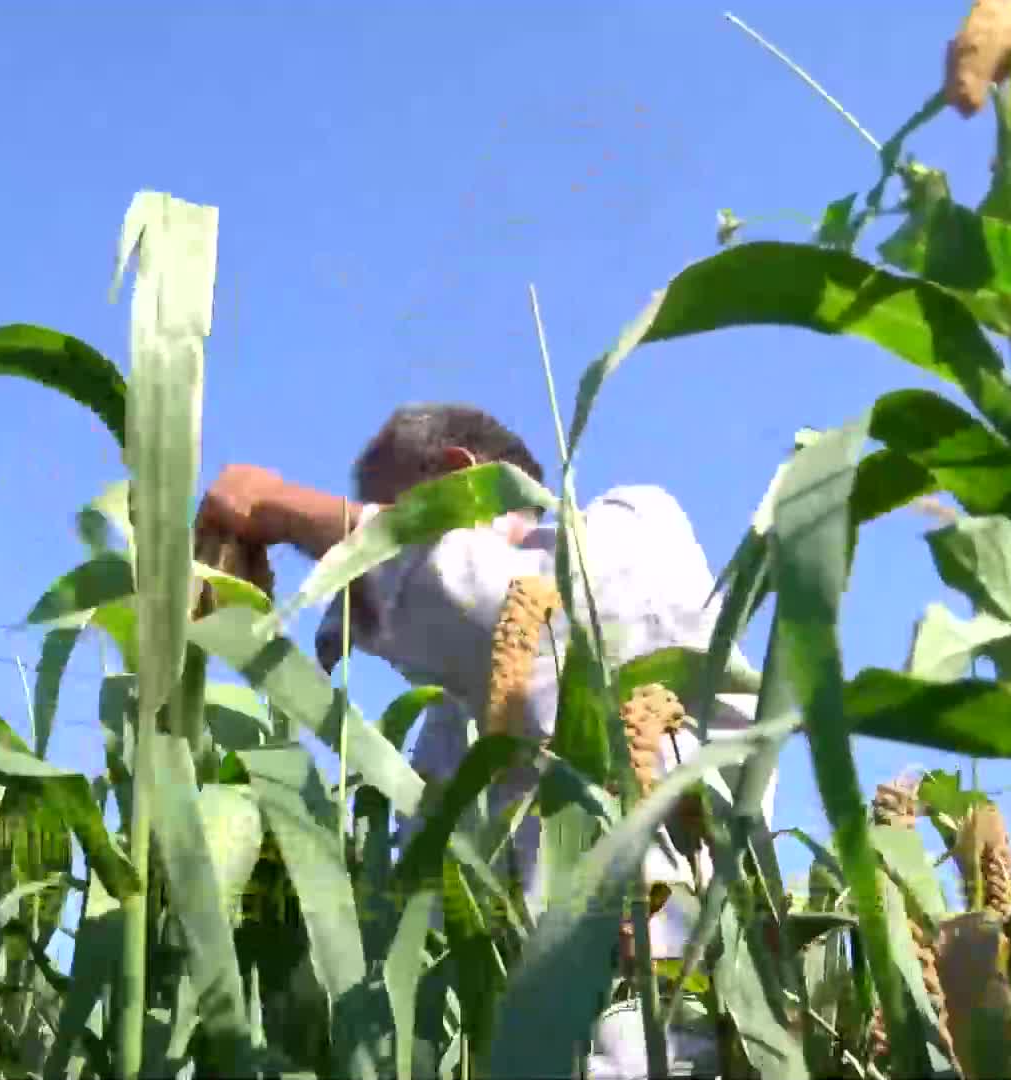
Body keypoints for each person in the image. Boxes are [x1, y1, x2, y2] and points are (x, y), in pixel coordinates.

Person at [195, 402, 773, 1080]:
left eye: (393, 521)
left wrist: (280, 506)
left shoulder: (633, 531)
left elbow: (509, 615)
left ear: (458, 477)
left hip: (657, 1038)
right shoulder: (452, 731)